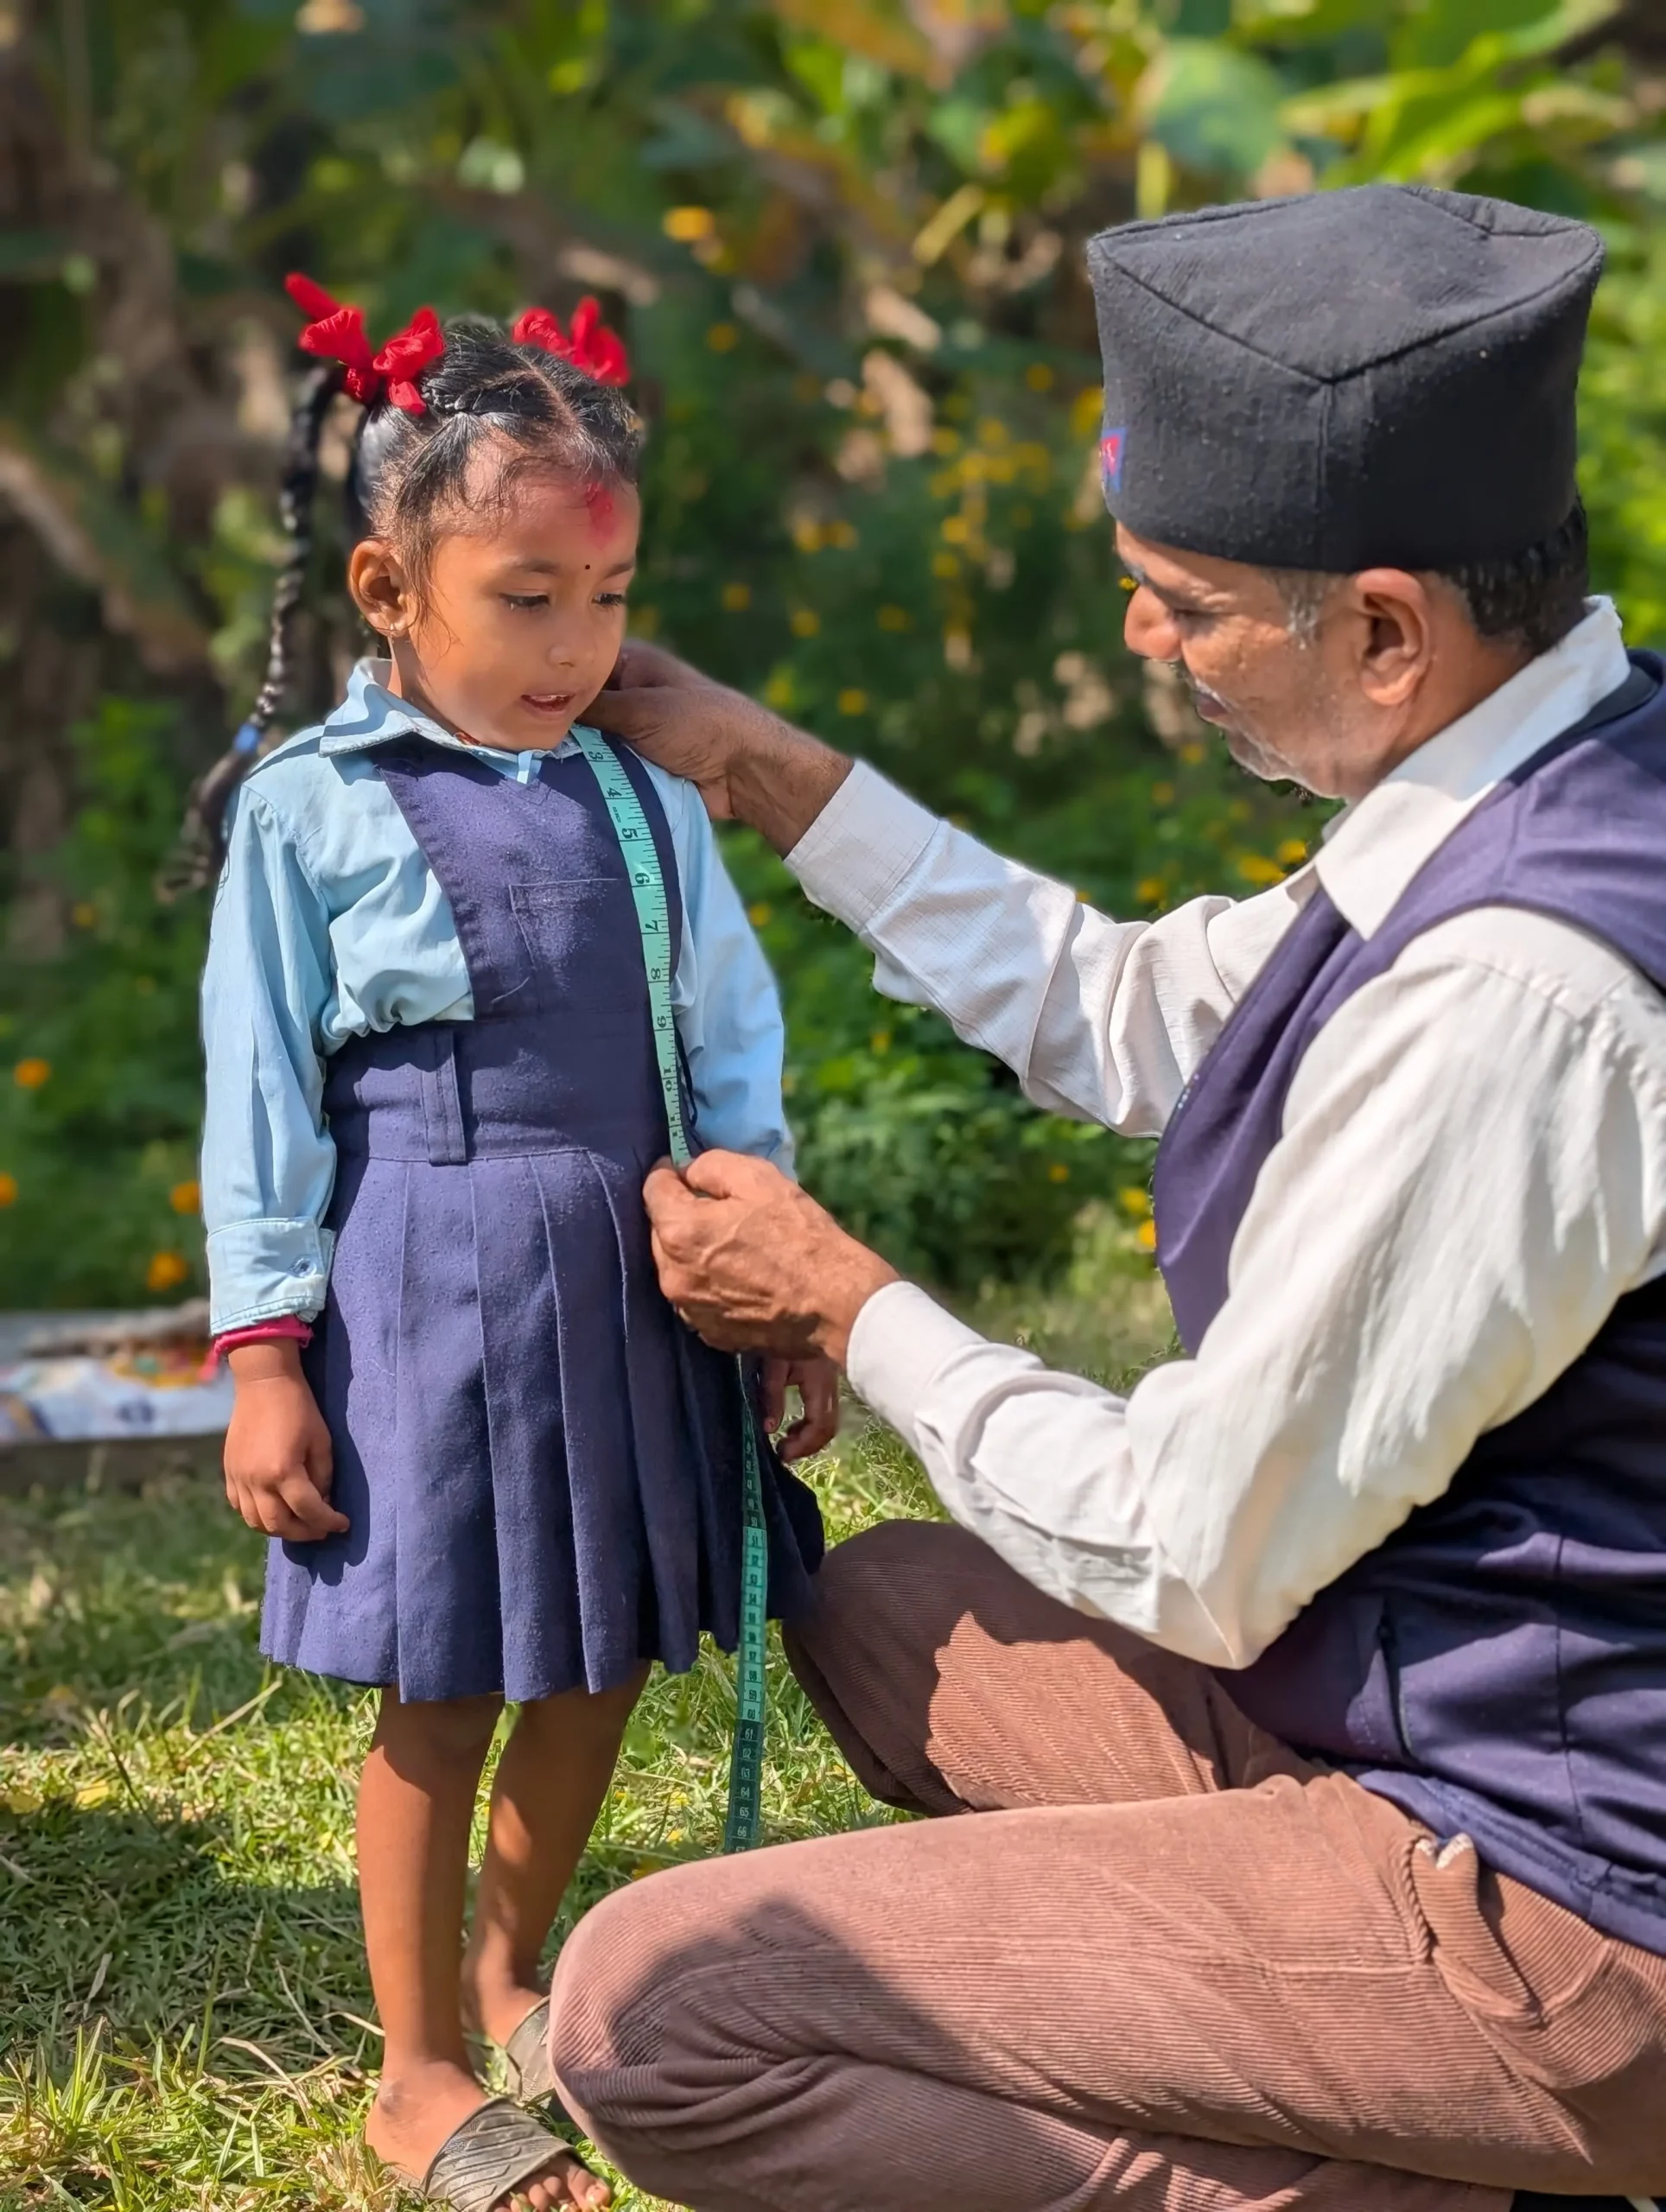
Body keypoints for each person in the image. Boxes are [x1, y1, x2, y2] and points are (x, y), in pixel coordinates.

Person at [542, 188, 1666, 2212]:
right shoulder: (1547, 763)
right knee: (890, 1610)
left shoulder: (1522, 996)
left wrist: (847, 1301)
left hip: (1580, 1898)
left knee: (654, 2004)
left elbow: (1197, 1550)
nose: (1140, 638)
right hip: (1431, 1685)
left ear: (1388, 628)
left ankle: (1436, 2177)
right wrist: (779, 777)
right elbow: (1138, 1011)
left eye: (1187, 597)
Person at [195, 280, 835, 2212]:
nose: (580, 646)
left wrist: (779, 1276)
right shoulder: (313, 815)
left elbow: (727, 1044)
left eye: (609, 597)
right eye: (526, 599)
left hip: (633, 1276)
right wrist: (270, 1352)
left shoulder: (650, 804)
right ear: (391, 585)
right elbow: (260, 1096)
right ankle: (413, 2064)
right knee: (451, 1674)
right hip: (431, 1287)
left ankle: (513, 1971)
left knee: (600, 1649)